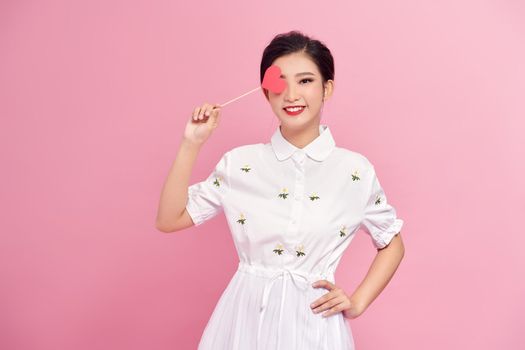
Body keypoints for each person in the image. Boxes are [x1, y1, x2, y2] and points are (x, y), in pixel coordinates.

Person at [156, 30, 405, 350]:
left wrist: (357, 303)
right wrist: (192, 144)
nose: (291, 94)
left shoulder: (355, 171)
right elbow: (169, 219)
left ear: (327, 88)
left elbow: (392, 243)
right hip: (243, 323)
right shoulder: (240, 163)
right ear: (265, 92)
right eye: (279, 82)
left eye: (304, 81)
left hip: (314, 329)